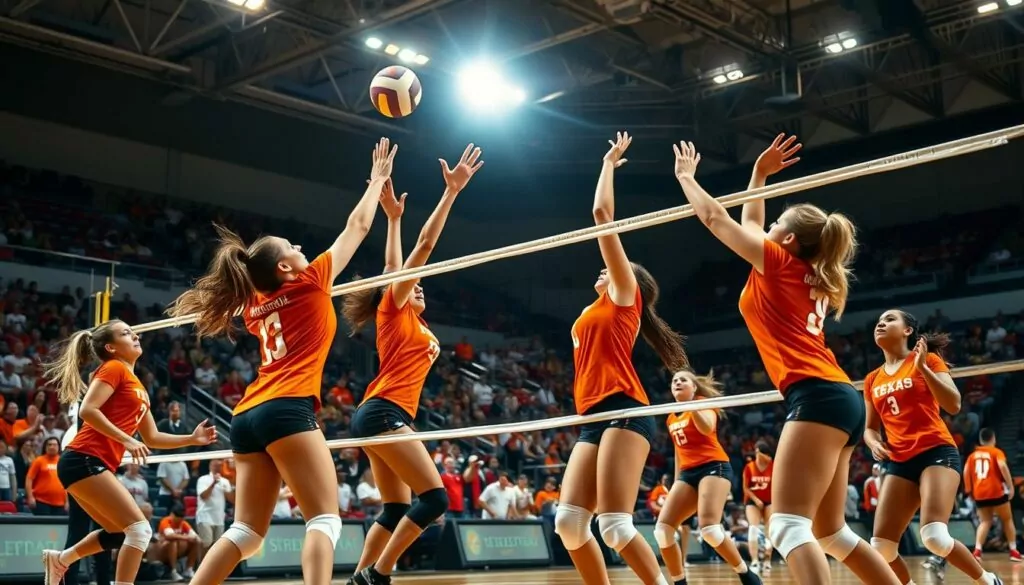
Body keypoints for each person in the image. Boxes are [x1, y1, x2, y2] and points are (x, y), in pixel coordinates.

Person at [166, 137, 398, 585]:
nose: (301, 249)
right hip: (286, 408)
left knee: (246, 532)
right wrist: (377, 181)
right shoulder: (310, 281)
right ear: (287, 270)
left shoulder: (254, 305)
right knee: (325, 521)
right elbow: (358, 225)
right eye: (293, 247)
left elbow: (254, 274)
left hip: (248, 413)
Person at [672, 135, 900, 585]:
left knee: (787, 524)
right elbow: (753, 221)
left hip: (817, 396)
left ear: (788, 238)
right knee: (831, 533)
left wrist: (686, 178)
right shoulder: (802, 270)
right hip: (839, 398)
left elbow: (716, 218)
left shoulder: (776, 263)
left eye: (777, 223)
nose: (766, 225)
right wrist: (758, 177)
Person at [342, 143, 483, 585]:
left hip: (384, 413)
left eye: (418, 283)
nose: (416, 284)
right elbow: (422, 248)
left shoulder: (398, 306)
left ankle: (360, 578)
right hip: (383, 411)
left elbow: (392, 264)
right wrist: (451, 193)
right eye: (410, 282)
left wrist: (394, 218)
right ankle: (379, 575)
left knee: (397, 508)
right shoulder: (394, 306)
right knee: (435, 500)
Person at [554, 132, 688, 585]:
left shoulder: (624, 296)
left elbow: (601, 216)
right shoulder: (591, 311)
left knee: (613, 525)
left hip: (625, 411)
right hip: (592, 415)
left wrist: (608, 163)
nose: (604, 270)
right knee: (569, 524)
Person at [40, 319, 216, 585]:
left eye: (133, 332)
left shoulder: (138, 387)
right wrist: (129, 441)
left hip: (87, 463)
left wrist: (191, 438)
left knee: (120, 533)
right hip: (83, 458)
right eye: (126, 333)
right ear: (111, 347)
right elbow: (88, 409)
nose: (135, 336)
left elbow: (153, 437)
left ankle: (61, 560)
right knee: (140, 529)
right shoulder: (113, 368)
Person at [864, 309, 1002, 584]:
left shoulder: (928, 360)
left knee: (934, 537)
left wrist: (924, 369)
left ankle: (988, 580)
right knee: (881, 546)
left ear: (907, 331)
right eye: (879, 320)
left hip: (936, 452)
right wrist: (873, 443)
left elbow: (953, 404)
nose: (882, 322)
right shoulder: (871, 379)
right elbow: (870, 428)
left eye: (890, 319)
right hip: (899, 461)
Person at [656, 369, 760, 585]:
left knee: (710, 530)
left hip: (714, 466)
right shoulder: (670, 417)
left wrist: (691, 405)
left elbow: (706, 428)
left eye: (683, 380)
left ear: (694, 387)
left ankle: (745, 573)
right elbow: (678, 451)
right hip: (687, 473)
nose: (677, 382)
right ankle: (679, 582)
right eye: (674, 380)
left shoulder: (702, 403)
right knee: (662, 530)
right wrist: (677, 483)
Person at [965, 428, 1019, 562]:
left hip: (979, 493)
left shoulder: (972, 456)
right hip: (996, 492)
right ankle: (1013, 551)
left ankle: (977, 551)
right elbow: (1002, 465)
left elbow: (966, 472)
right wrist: (1010, 485)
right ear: (993, 438)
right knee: (1007, 519)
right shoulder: (996, 452)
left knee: (985, 521)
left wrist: (969, 491)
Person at [743, 440, 775, 573]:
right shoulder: (749, 467)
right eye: (766, 454)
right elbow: (745, 488)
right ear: (758, 453)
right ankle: (755, 561)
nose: (769, 458)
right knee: (753, 529)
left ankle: (767, 560)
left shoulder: (773, 466)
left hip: (769, 501)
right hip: (752, 501)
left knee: (770, 529)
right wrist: (756, 500)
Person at [26, 436, 67, 515]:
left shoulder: (63, 461)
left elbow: (67, 483)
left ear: (59, 447)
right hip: (41, 502)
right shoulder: (39, 461)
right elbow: (29, 479)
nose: (52, 447)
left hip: (60, 503)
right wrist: (30, 497)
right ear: (45, 447)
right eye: (49, 444)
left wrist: (67, 502)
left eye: (55, 445)